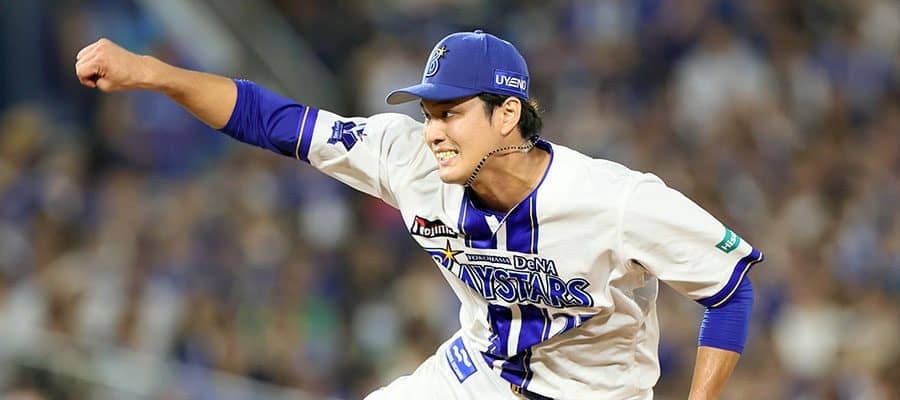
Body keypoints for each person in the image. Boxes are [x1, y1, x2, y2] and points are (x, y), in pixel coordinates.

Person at [75, 30, 763, 400]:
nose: (432, 131)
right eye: (428, 112)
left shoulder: (615, 200)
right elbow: (270, 119)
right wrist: (152, 73)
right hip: (478, 376)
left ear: (508, 114)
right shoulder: (405, 156)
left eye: (451, 113)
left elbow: (730, 288)